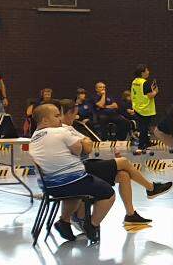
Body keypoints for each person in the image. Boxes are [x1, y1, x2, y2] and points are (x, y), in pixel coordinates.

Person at [36, 99, 173, 236]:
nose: (76, 117)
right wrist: (85, 143)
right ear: (67, 113)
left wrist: (85, 144)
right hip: (79, 170)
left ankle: (131, 214)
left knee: (123, 175)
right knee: (123, 162)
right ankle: (150, 188)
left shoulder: (54, 132)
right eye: (73, 114)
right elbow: (87, 148)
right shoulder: (62, 130)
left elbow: (86, 147)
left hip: (73, 171)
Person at [27, 102, 117, 243]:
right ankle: (91, 226)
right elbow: (82, 150)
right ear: (45, 120)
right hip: (72, 181)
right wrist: (85, 140)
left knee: (75, 195)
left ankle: (64, 222)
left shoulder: (33, 138)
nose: (60, 119)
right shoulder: (60, 131)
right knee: (109, 193)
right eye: (57, 116)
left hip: (49, 186)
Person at [127, 65, 159, 153]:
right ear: (142, 73)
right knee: (144, 128)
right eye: (147, 70)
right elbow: (150, 95)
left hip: (137, 107)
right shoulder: (145, 83)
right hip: (145, 108)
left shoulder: (134, 81)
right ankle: (141, 146)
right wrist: (155, 91)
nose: (148, 72)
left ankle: (147, 142)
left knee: (143, 126)